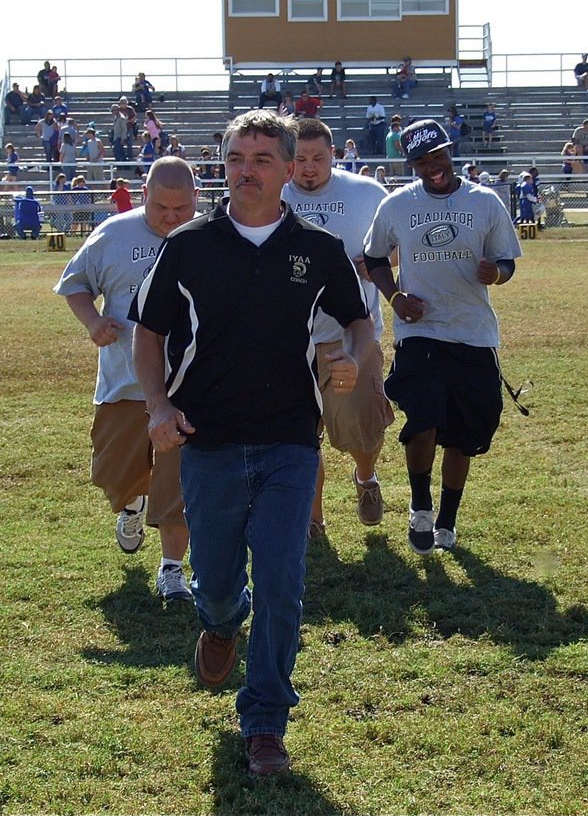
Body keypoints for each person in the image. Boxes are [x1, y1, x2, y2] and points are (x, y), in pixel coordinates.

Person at [131, 110, 372, 775]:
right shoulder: (189, 245)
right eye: (236, 158)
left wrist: (352, 359)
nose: (245, 170)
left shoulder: (318, 249)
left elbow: (359, 322)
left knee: (283, 580)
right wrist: (156, 404)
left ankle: (264, 719)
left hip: (290, 440)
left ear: (290, 169)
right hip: (205, 440)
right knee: (216, 583)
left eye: (261, 159)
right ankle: (218, 620)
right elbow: (147, 334)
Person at [362, 118, 522, 555]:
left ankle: (447, 521)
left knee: (465, 433)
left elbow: (508, 261)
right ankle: (420, 507)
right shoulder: (395, 206)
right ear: (411, 164)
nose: (432, 166)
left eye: (438, 155)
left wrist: (498, 273)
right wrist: (394, 296)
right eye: (421, 161)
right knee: (424, 415)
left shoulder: (485, 202)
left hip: (473, 333)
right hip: (421, 332)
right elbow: (373, 257)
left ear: (450, 153)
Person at [54, 157, 199, 599]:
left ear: (197, 199)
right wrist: (92, 321)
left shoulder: (209, 237)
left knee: (179, 482)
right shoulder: (113, 234)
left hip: (186, 388)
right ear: (143, 195)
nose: (172, 218)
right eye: (161, 208)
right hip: (123, 383)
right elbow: (75, 283)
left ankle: (172, 568)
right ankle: (132, 503)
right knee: (114, 475)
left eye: (182, 209)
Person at [282, 118, 394, 539]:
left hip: (352, 334)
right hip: (290, 337)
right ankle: (313, 519)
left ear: (335, 155)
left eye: (318, 159)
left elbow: (397, 247)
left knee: (362, 425)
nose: (309, 168)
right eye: (300, 159)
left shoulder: (367, 194)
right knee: (299, 434)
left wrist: (380, 263)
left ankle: (365, 478)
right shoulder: (273, 194)